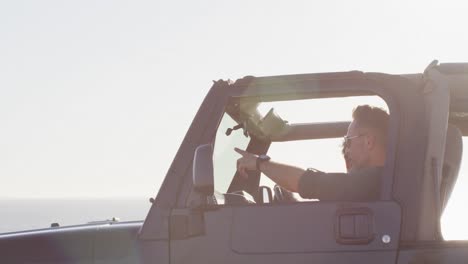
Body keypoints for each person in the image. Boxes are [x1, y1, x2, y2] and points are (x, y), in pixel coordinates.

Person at [235, 104, 389, 201]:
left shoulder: (373, 181)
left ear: (368, 141)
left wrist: (259, 163)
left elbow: (310, 183)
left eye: (348, 141)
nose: (346, 150)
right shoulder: (384, 182)